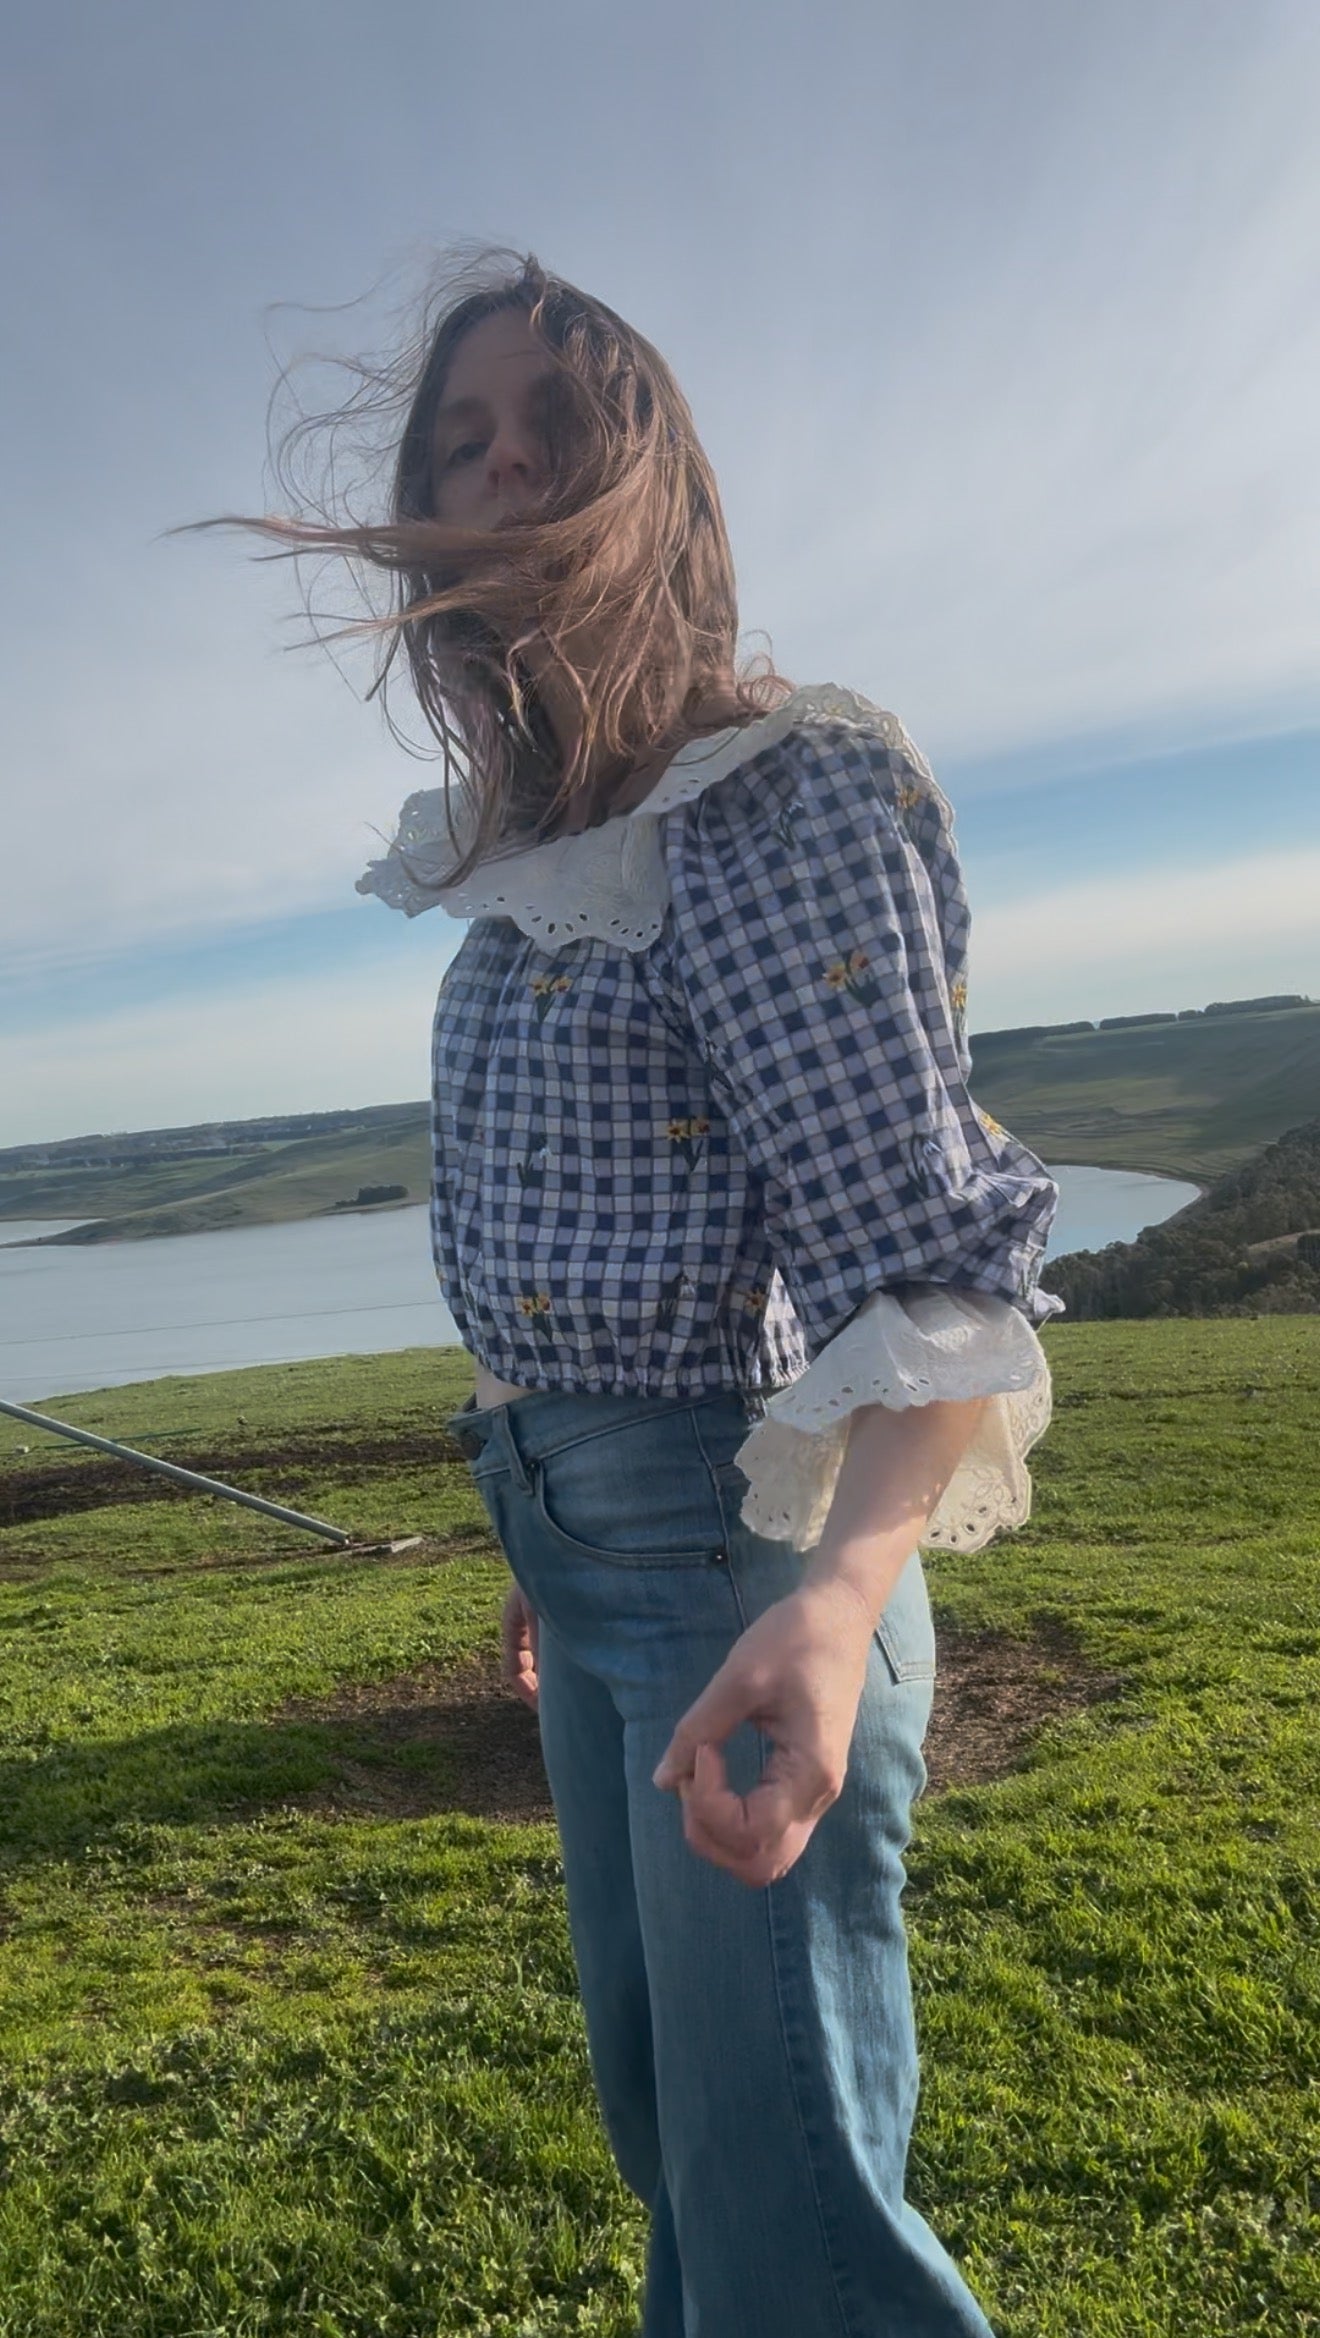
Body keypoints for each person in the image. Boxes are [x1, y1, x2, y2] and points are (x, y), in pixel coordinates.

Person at [241, 249, 1062, 2338]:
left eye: (554, 429)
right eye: (461, 437)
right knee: (683, 2166)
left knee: (795, 2232)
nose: (498, 467)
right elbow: (604, 1264)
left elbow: (932, 1266)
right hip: (603, 1542)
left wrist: (829, 1594)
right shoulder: (531, 861)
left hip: (743, 1572)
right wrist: (543, 1526)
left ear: (648, 484)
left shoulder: (772, 797)